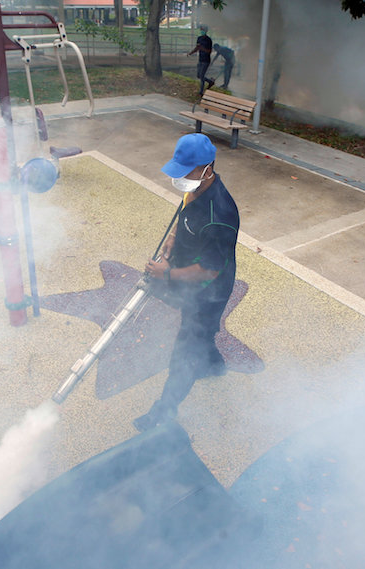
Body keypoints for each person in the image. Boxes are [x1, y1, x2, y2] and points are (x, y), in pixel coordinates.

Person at [133, 133, 239, 433]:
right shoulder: (194, 190)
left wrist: (165, 274)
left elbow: (208, 271)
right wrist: (172, 238)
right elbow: (185, 213)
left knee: (185, 352)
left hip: (208, 293)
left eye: (186, 170)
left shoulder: (221, 214)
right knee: (201, 334)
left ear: (207, 168)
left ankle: (162, 412)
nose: (179, 176)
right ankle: (215, 365)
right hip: (191, 281)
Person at [187, 24, 213, 93]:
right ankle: (210, 81)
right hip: (200, 59)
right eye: (201, 30)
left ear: (206, 31)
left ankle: (201, 92)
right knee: (198, 75)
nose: (202, 31)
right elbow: (197, 48)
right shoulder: (199, 38)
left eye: (203, 30)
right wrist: (191, 53)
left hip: (206, 60)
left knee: (201, 76)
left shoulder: (208, 40)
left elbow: (209, 51)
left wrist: (203, 49)